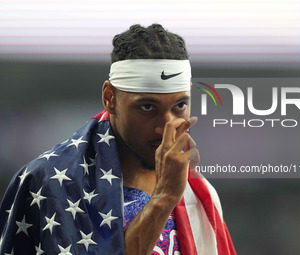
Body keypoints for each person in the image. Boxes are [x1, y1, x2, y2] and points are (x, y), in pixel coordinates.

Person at [0, 24, 236, 255]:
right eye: (147, 106)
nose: (166, 127)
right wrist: (164, 198)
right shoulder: (52, 183)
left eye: (180, 106)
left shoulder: (200, 195)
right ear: (110, 97)